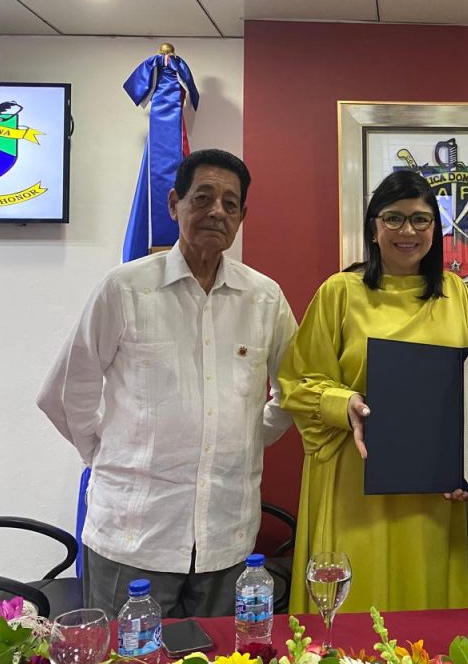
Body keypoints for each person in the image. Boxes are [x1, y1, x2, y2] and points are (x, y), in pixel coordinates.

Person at [37, 149, 297, 617]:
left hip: (227, 537)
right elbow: (63, 392)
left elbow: (293, 389)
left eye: (230, 203)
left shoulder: (264, 299)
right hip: (133, 535)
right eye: (203, 197)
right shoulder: (126, 288)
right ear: (175, 203)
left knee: (224, 656)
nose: (217, 210)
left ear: (242, 217)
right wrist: (105, 453)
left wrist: (248, 437)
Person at [279, 170, 468, 613]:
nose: (407, 231)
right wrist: (343, 403)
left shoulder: (455, 294)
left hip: (429, 492)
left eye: (421, 220)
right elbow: (297, 382)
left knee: (424, 618)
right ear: (373, 227)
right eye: (393, 218)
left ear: (437, 229)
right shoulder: (340, 292)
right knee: (354, 612)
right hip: (356, 479)